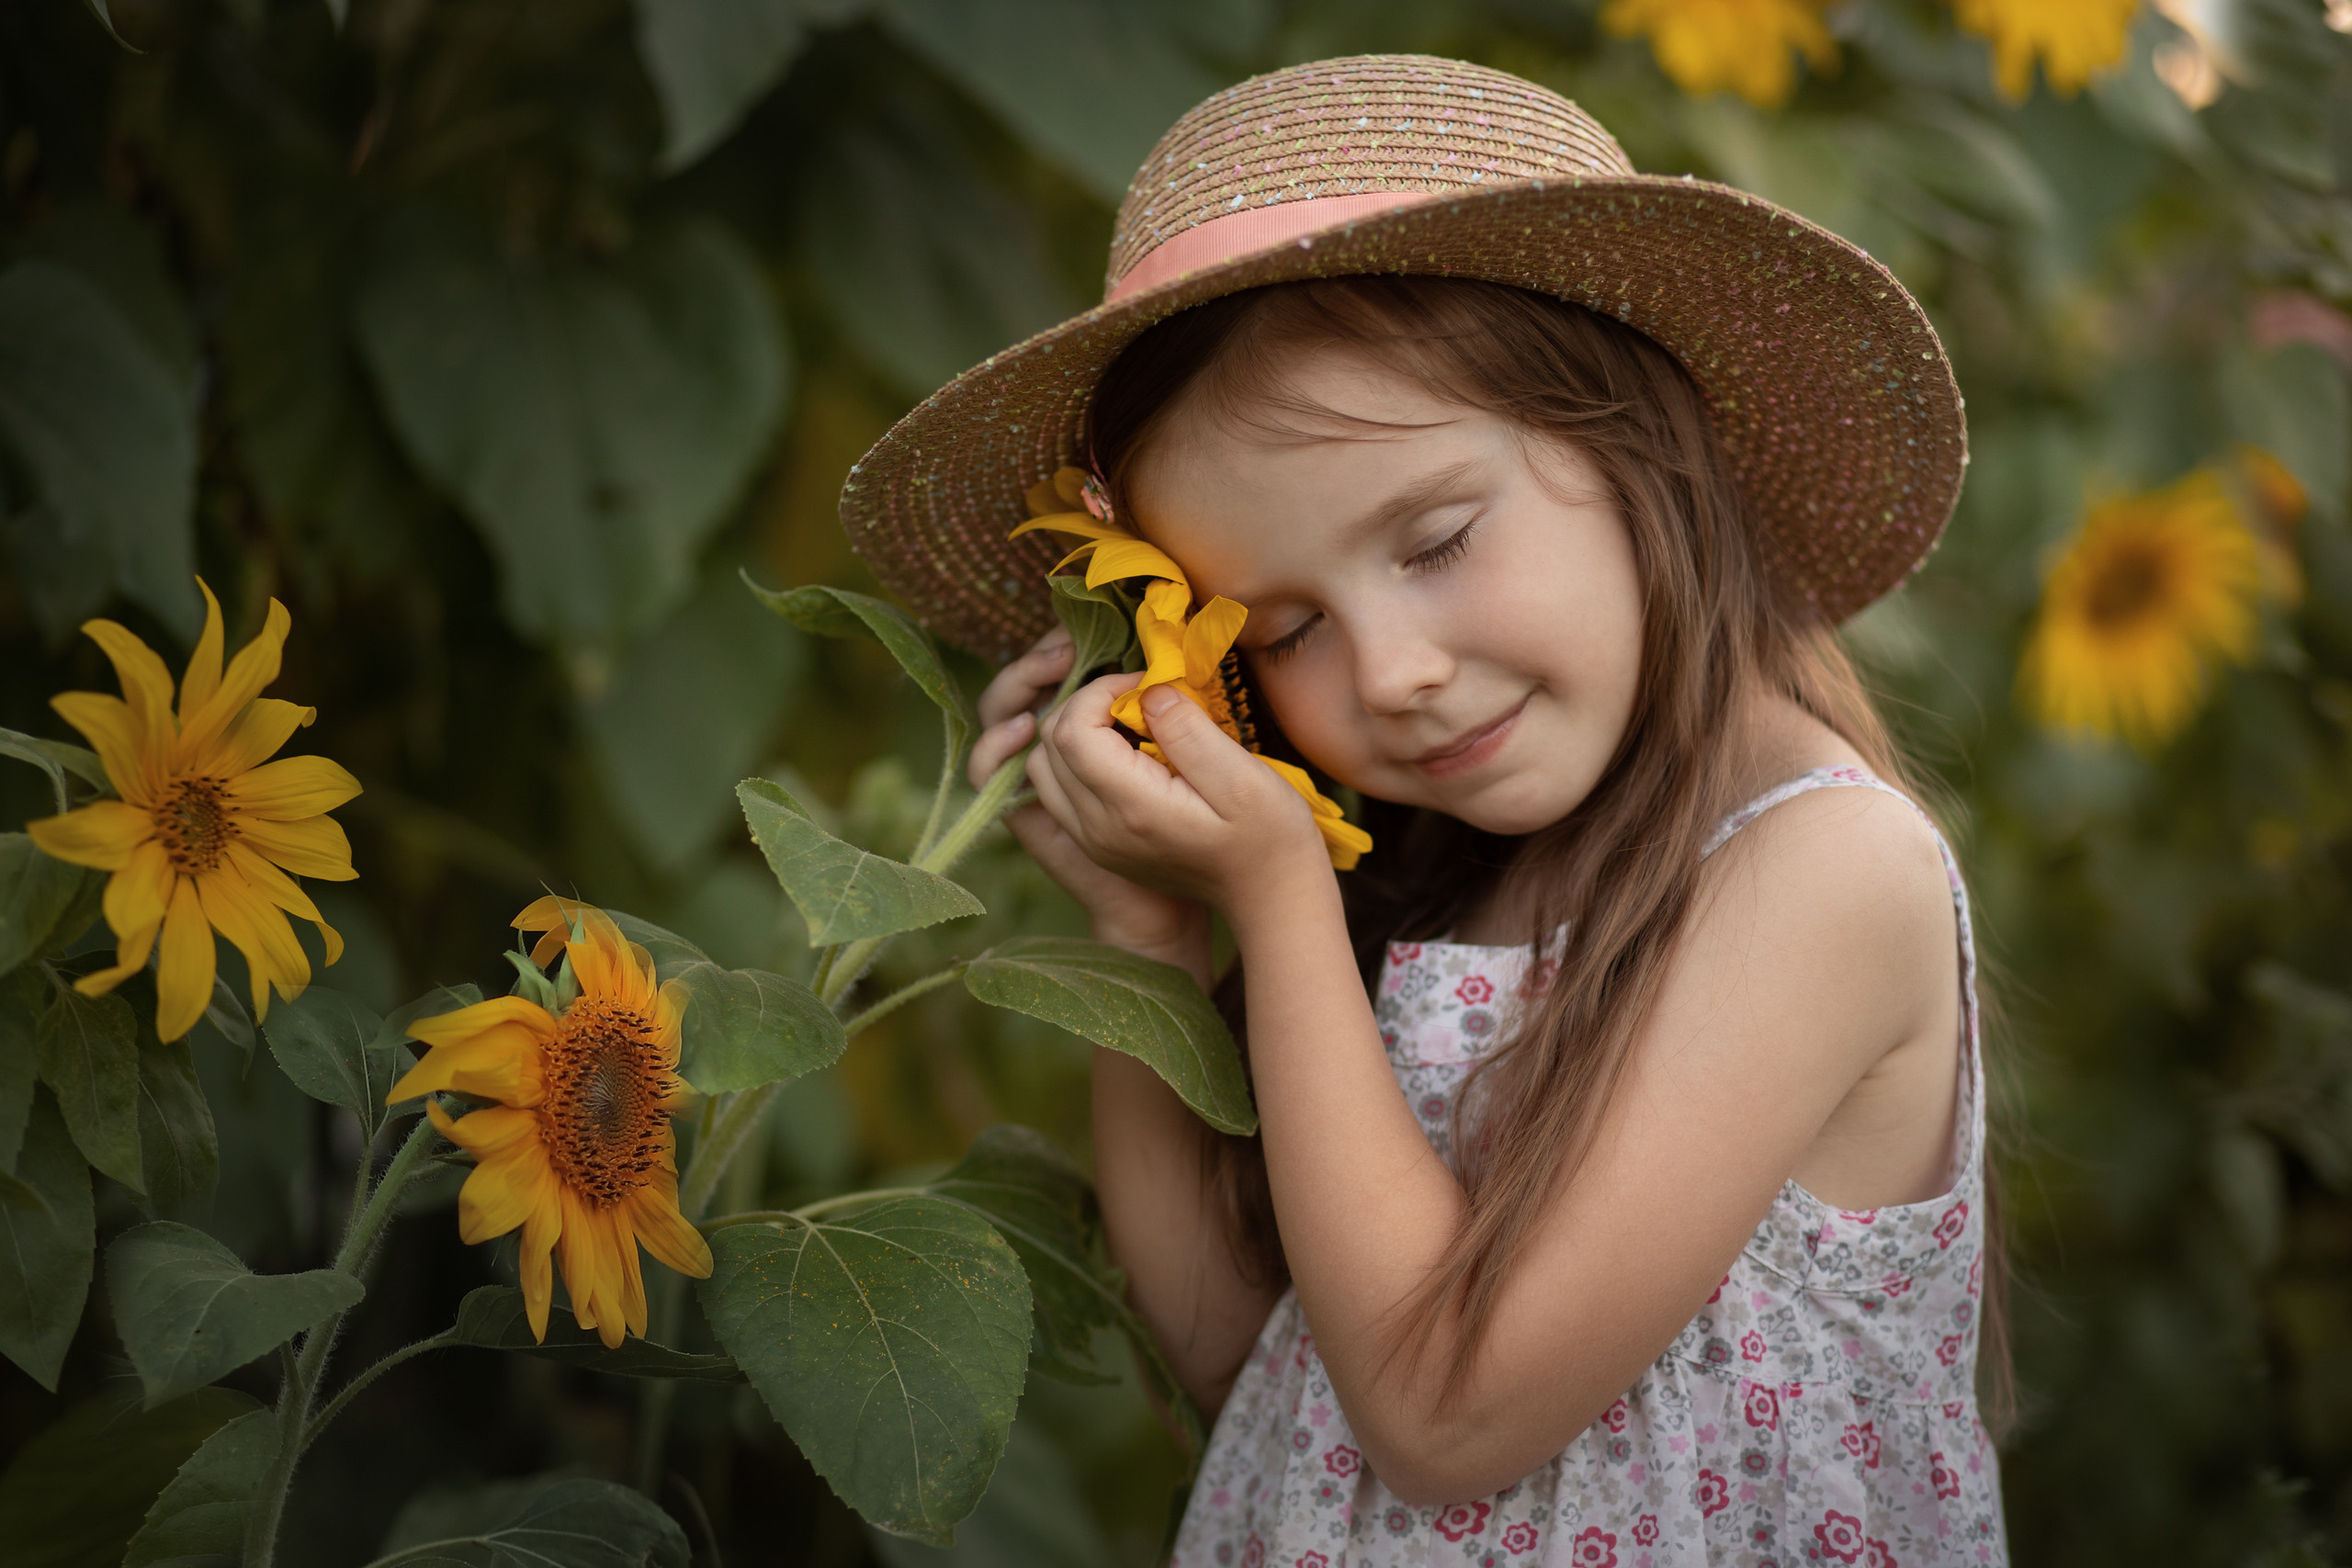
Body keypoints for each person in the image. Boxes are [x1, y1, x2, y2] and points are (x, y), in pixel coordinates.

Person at [842, 53, 2007, 1566]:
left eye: (1439, 539)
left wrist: (1274, 894)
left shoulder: (1823, 871)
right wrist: (1148, 927)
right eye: (1280, 631)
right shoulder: (1449, 875)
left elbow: (1445, 1420)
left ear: (1647, 446)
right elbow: (1243, 1362)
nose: (1390, 674)